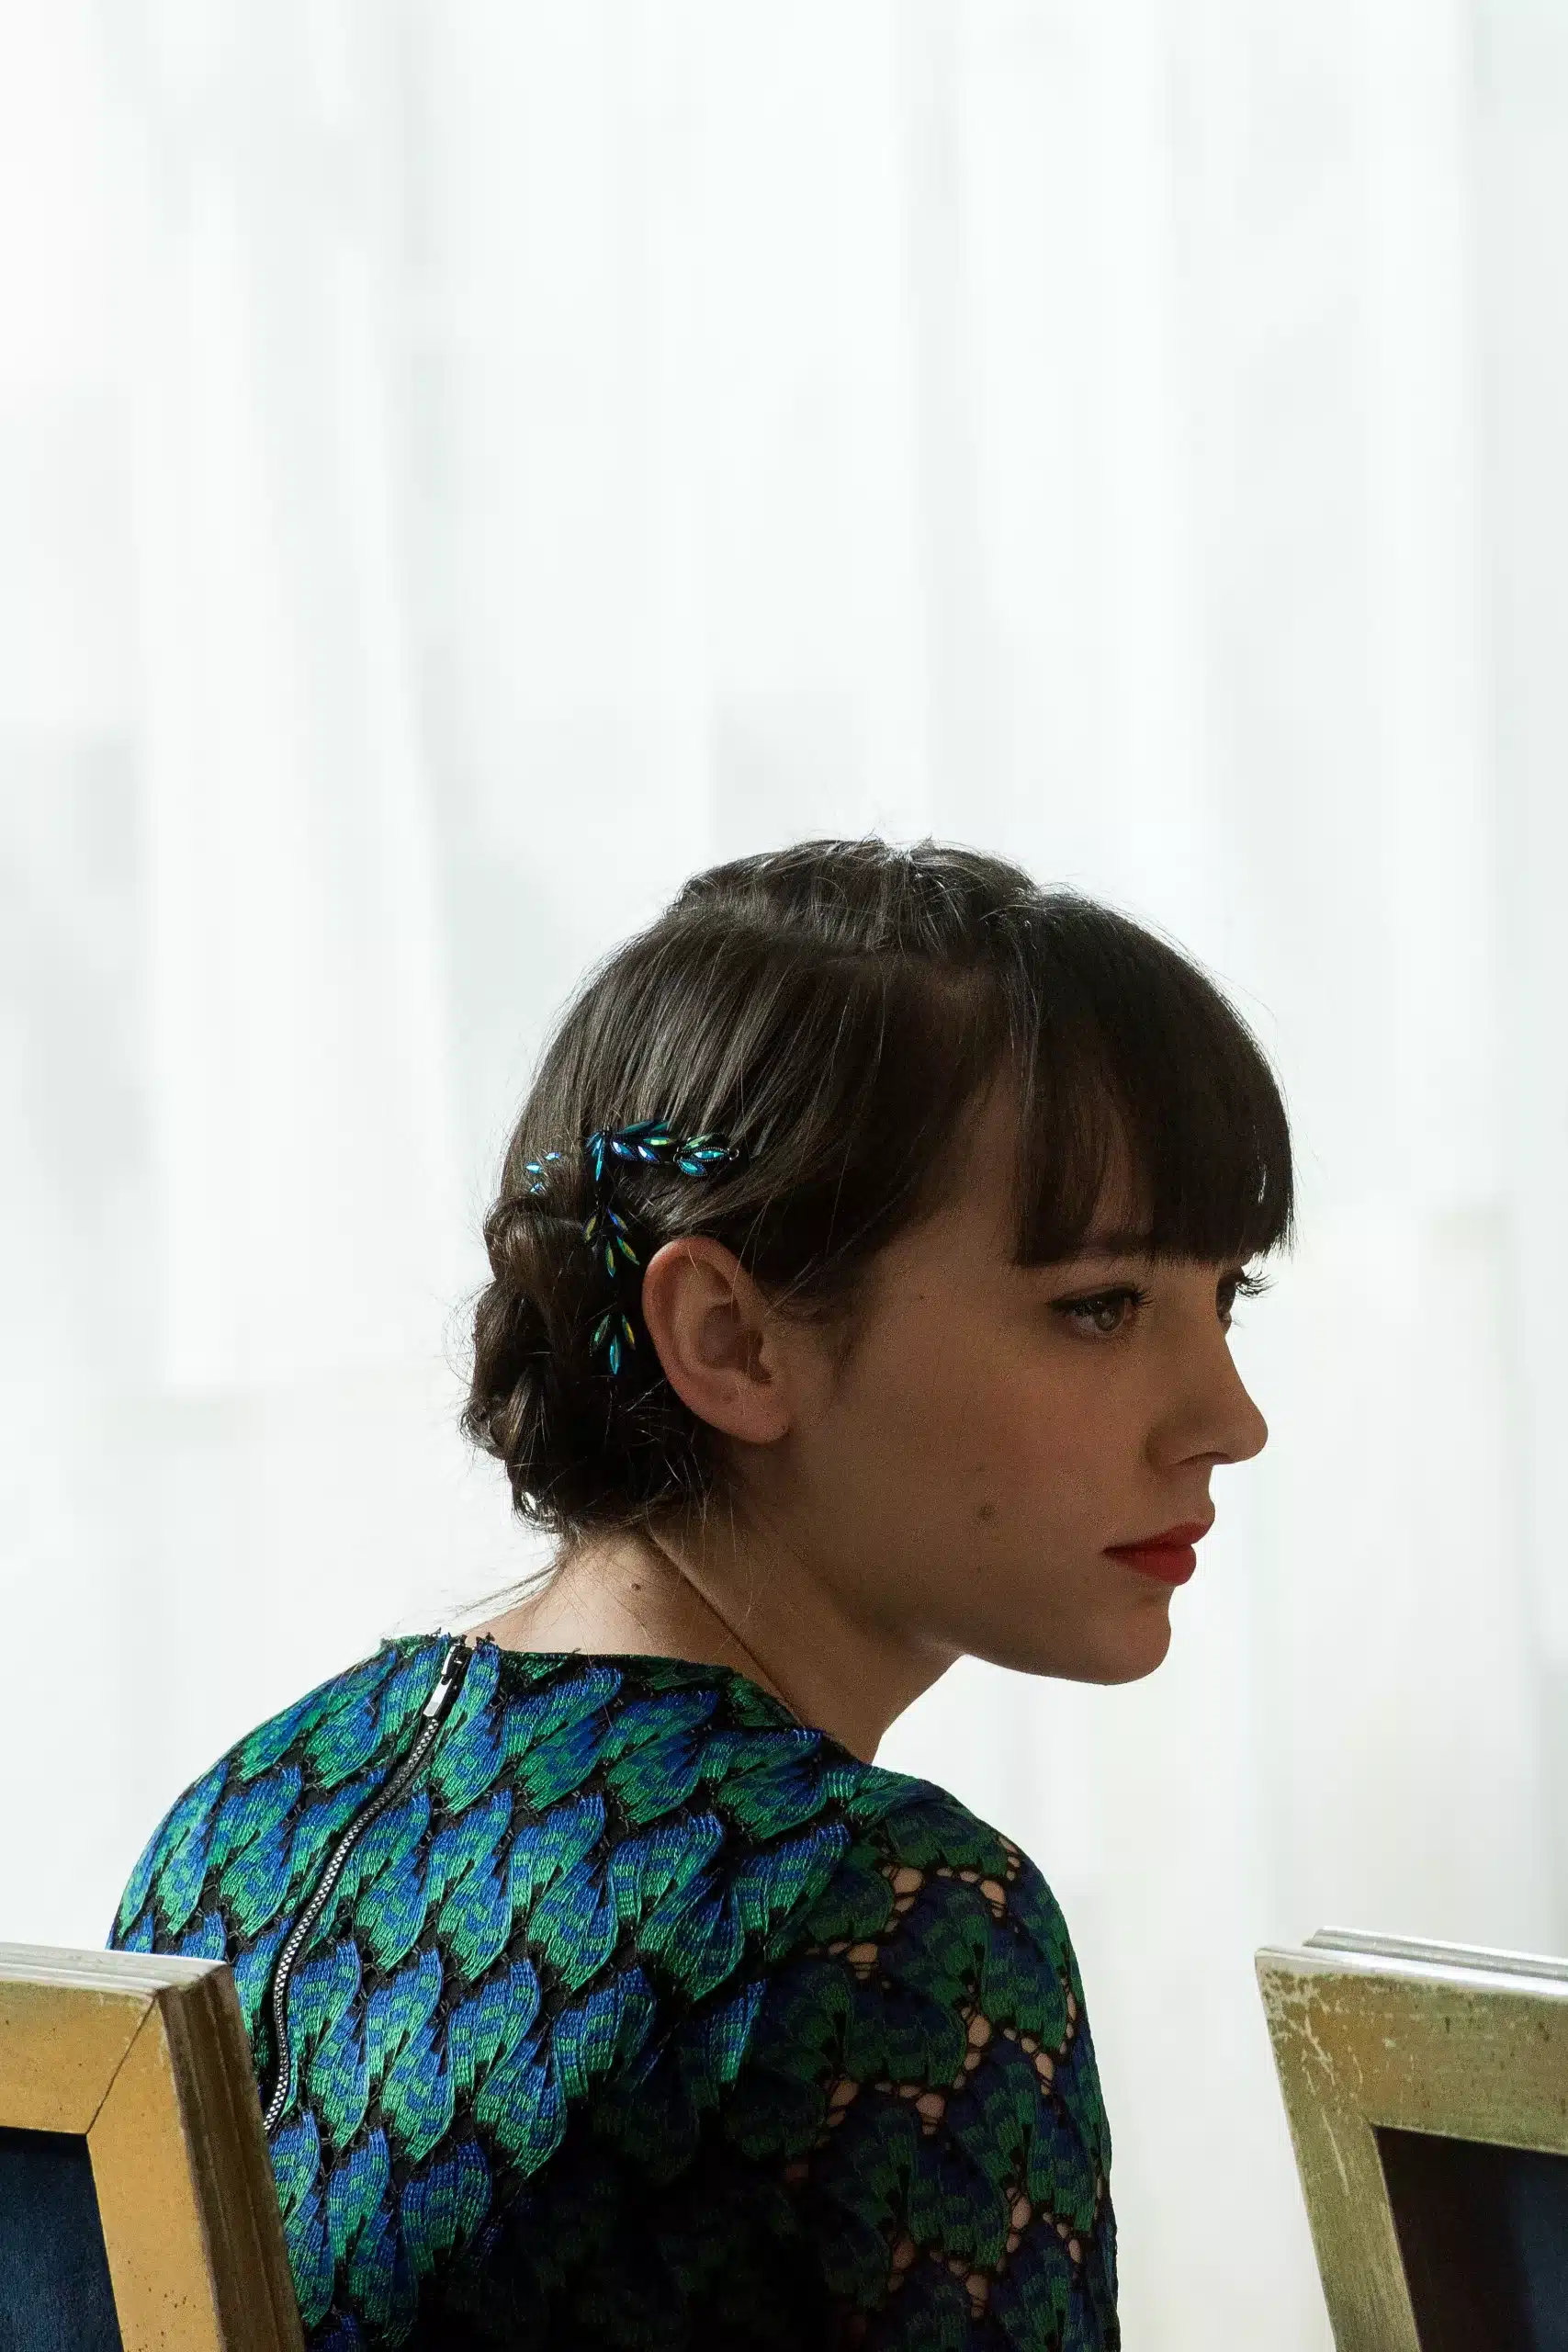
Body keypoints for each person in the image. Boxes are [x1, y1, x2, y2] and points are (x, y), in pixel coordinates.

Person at [109, 839, 1292, 2350]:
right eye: (1099, 1307)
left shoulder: (255, 1808)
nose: (1228, 1419)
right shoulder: (876, 1916)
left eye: (1225, 1296)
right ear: (730, 1338)